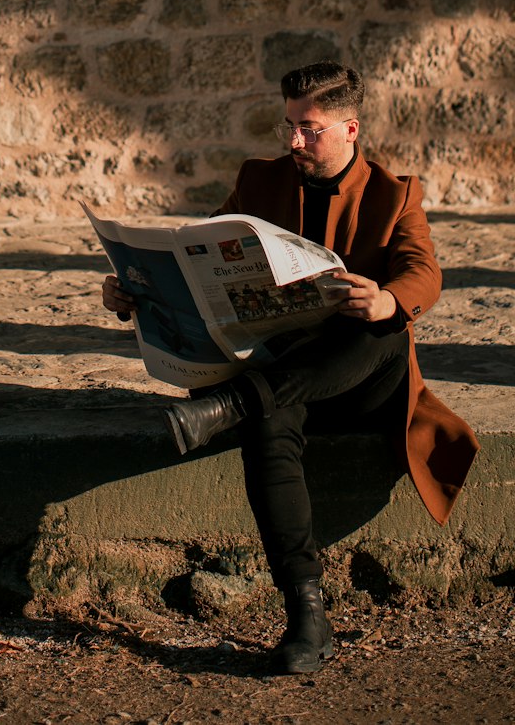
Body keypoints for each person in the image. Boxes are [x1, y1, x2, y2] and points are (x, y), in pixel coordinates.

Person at [102, 60, 479, 676]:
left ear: (350, 128)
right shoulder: (258, 182)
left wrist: (386, 298)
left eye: (311, 129)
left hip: (361, 379)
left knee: (384, 330)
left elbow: (423, 271)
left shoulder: (395, 193)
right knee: (267, 414)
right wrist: (133, 293)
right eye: (289, 128)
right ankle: (305, 613)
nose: (295, 141)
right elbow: (201, 262)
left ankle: (229, 406)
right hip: (280, 373)